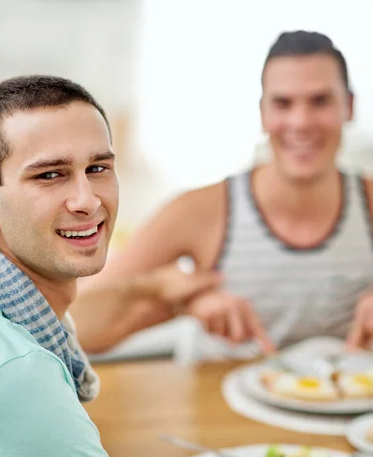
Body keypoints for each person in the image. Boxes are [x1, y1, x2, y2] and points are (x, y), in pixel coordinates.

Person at [0, 75, 373, 457]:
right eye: (50, 175)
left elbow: (78, 327)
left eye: (98, 168)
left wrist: (168, 292)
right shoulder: (15, 375)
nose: (86, 200)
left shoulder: (0, 306)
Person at [72, 30, 373, 358]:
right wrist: (175, 298)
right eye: (283, 103)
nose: (300, 121)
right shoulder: (200, 211)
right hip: (221, 406)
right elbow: (74, 324)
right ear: (263, 113)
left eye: (320, 101)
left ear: (350, 106)